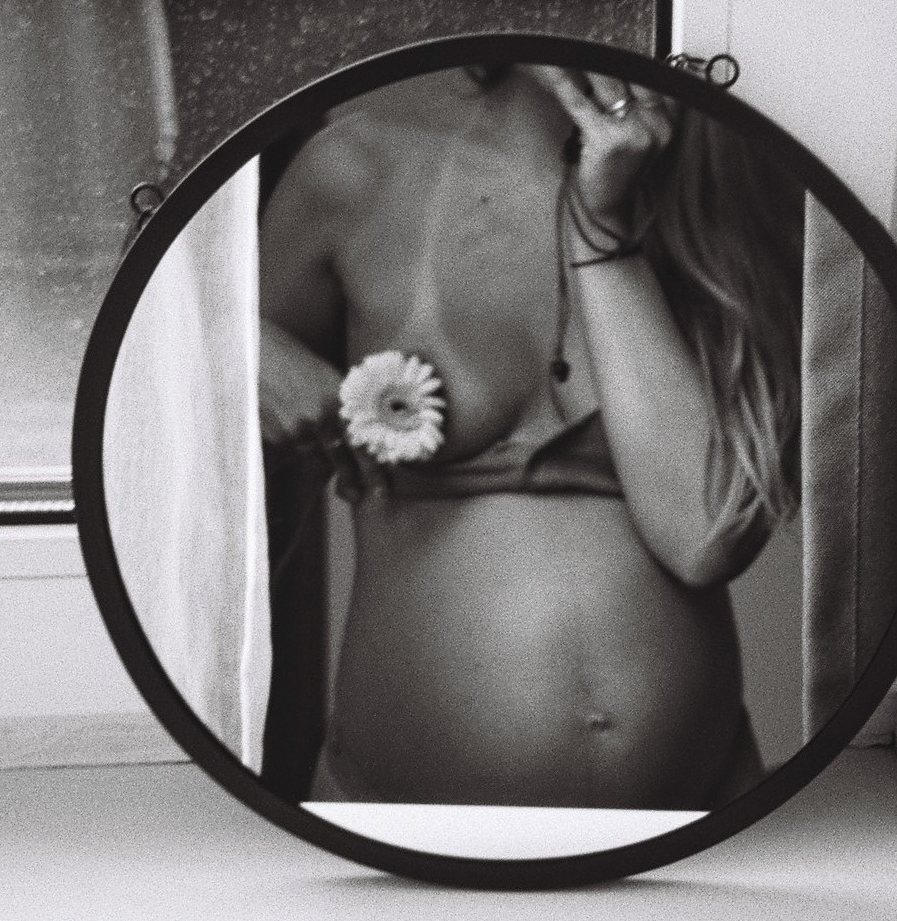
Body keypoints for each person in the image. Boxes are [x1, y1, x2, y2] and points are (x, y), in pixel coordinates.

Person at [257, 63, 804, 809]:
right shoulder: (356, 167)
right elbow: (174, 420)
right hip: (399, 830)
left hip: (703, 827)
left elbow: (702, 535)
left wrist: (599, 232)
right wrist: (237, 348)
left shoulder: (738, 180)